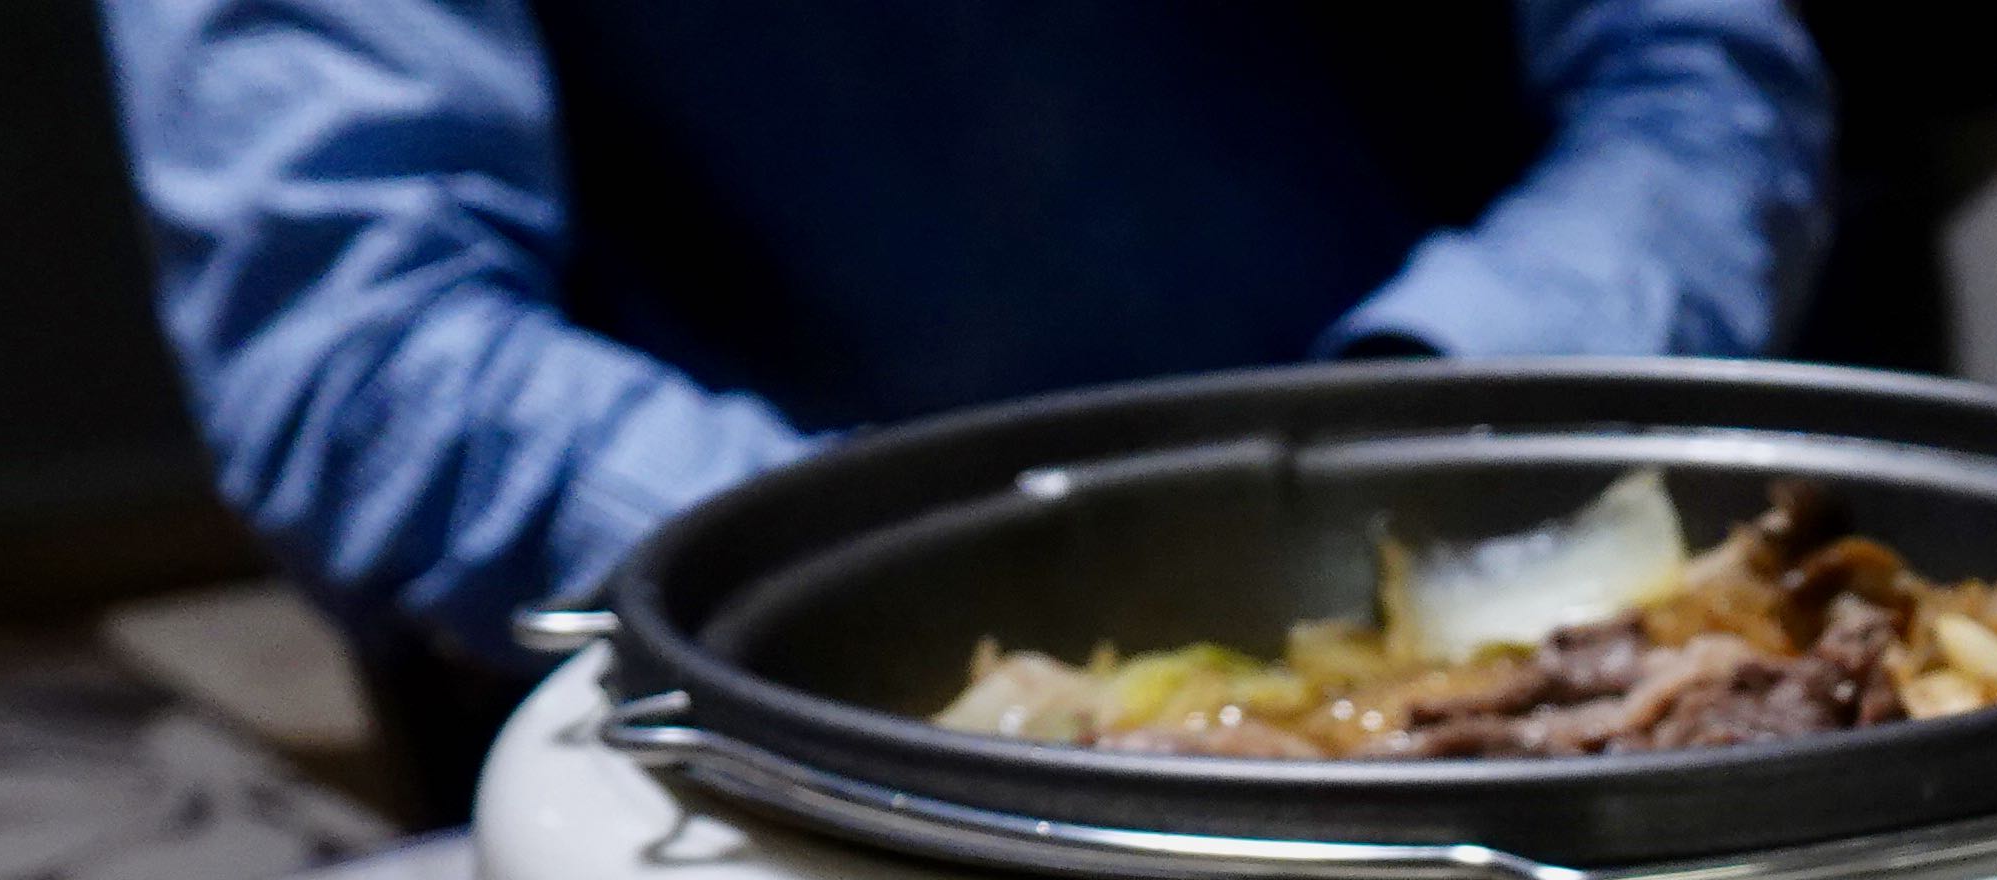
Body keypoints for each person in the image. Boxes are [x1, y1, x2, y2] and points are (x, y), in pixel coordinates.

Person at [97, 0, 1834, 700]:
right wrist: (901, 591)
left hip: (1501, 632)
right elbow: (354, 344)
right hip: (783, 744)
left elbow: (1694, 78)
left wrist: (1423, 434)